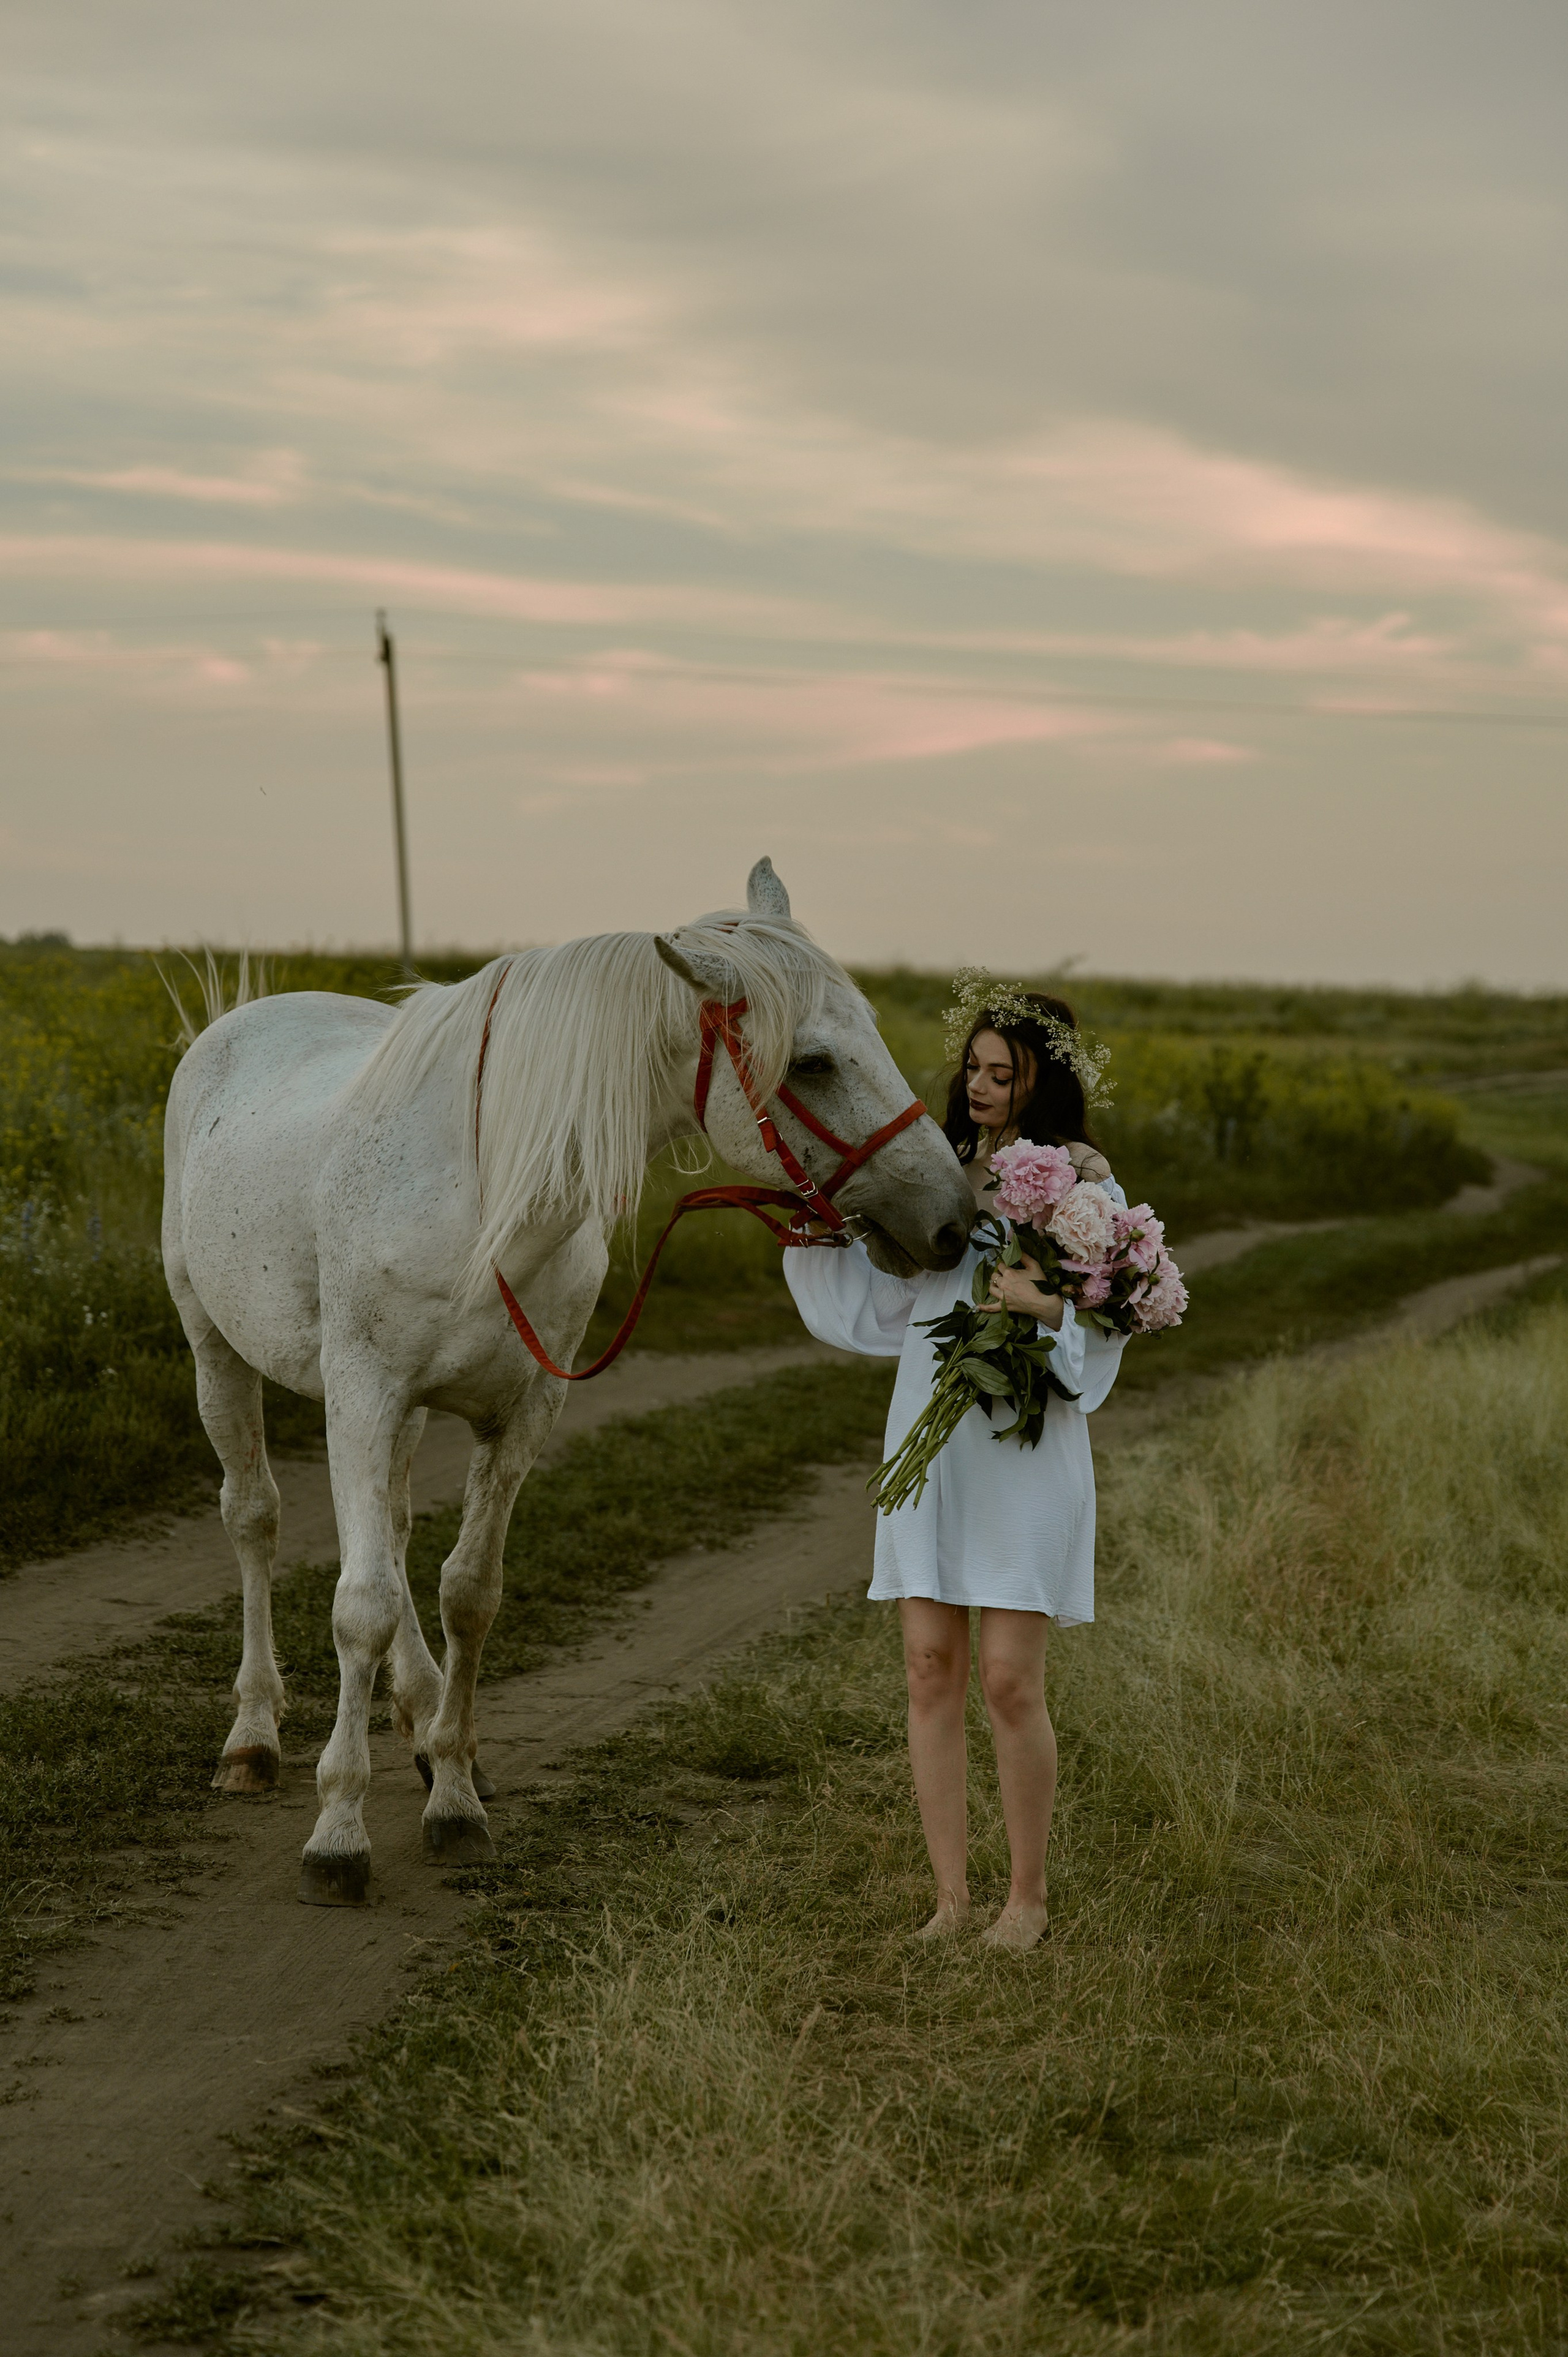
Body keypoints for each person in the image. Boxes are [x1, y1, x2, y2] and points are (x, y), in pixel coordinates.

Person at [784, 978, 1126, 1952]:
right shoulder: (935, 1173)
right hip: (932, 1435)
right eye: (972, 1068)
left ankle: (1027, 1900)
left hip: (1025, 1445)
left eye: (1000, 1074)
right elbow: (890, 1310)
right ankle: (950, 1901)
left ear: (1040, 1081)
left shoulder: (1088, 1189)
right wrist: (819, 1233)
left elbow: (1107, 1331)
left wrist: (1046, 1309)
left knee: (1010, 1680)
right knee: (929, 1668)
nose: (977, 1087)